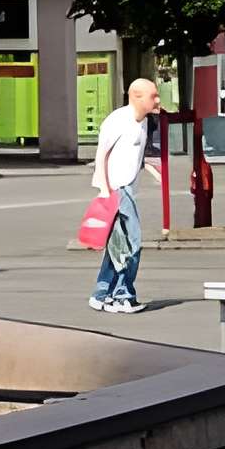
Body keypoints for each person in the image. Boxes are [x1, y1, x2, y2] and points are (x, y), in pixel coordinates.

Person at [89, 76, 158, 314]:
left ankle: (102, 294)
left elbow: (136, 155)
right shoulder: (117, 121)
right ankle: (122, 295)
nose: (157, 100)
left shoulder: (144, 122)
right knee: (132, 243)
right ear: (136, 97)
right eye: (153, 96)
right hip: (117, 189)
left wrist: (150, 169)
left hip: (127, 187)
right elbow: (101, 155)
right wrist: (106, 191)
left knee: (117, 246)